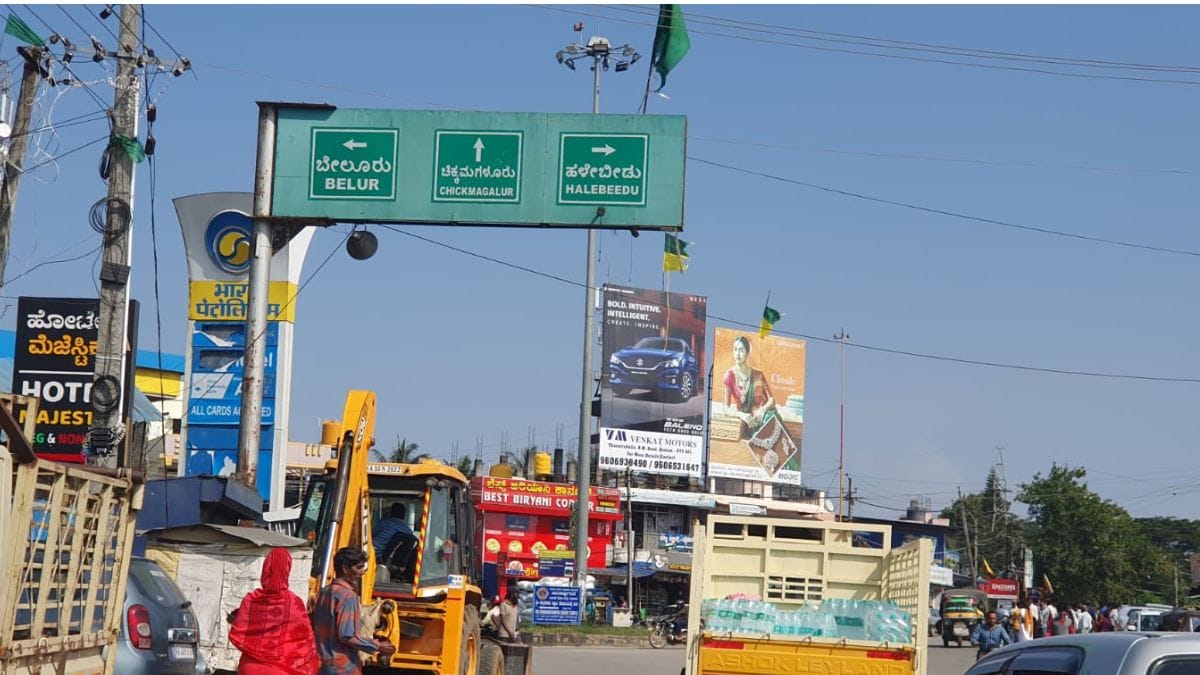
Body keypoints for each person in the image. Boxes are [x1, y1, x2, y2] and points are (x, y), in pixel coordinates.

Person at [228, 548, 318, 675]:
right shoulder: (295, 603)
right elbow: (305, 641)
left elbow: (239, 631)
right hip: (283, 670)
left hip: (250, 669)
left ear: (265, 569)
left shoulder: (251, 600)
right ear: (287, 571)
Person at [313, 547, 396, 674]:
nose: (362, 572)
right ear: (345, 569)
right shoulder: (347, 596)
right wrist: (377, 645)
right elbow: (347, 635)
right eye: (359, 567)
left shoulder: (324, 592)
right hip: (342, 666)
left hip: (322, 663)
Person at [721, 336, 777, 437]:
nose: (737, 354)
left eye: (741, 350)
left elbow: (772, 400)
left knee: (771, 420)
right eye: (735, 350)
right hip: (746, 421)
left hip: (762, 417)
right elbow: (725, 408)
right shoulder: (729, 376)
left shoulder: (758, 375)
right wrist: (741, 415)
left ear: (747, 353)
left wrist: (762, 410)